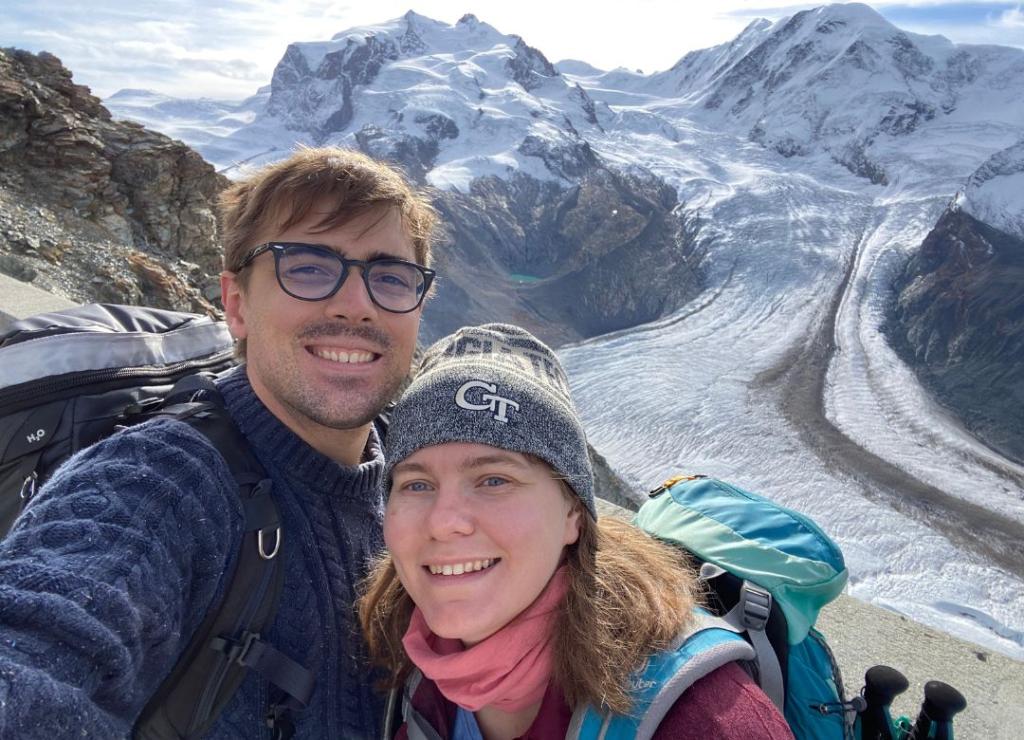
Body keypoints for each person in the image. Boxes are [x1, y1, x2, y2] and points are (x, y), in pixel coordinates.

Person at [0, 147, 438, 738]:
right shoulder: (161, 482)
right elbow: (39, 649)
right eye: (307, 266)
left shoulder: (422, 468)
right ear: (237, 305)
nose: (357, 306)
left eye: (389, 276)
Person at [358, 324, 795, 740]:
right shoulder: (412, 664)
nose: (443, 520)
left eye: (494, 480)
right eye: (417, 484)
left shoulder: (705, 718)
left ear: (574, 513)